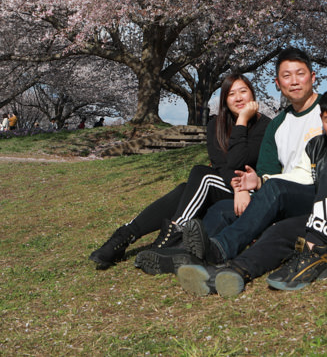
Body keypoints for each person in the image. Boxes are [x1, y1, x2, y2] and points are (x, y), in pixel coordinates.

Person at [139, 47, 327, 275]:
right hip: (290, 194)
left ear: (312, 77)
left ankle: (218, 250)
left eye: (300, 74)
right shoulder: (277, 126)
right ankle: (184, 251)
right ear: (277, 83)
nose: (294, 81)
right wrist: (250, 186)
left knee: (274, 190)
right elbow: (266, 171)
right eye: (286, 76)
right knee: (222, 210)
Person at [174, 87, 327, 297]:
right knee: (280, 220)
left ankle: (314, 253)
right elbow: (299, 178)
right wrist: (259, 182)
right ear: (321, 120)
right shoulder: (316, 145)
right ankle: (231, 266)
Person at [90, 74, 269, 271]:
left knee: (203, 175)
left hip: (251, 189)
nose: (238, 98)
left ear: (252, 94)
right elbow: (220, 166)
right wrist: (237, 188)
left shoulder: (264, 126)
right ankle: (124, 236)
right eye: (231, 94)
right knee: (187, 188)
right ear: (225, 100)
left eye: (243, 91)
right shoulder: (216, 125)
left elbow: (237, 162)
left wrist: (242, 121)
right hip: (231, 186)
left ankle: (172, 236)